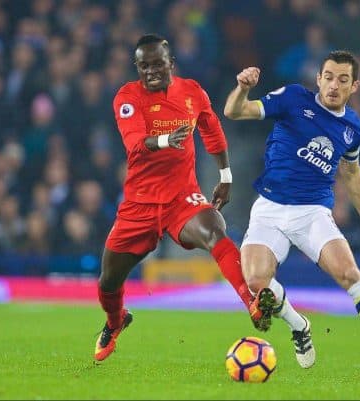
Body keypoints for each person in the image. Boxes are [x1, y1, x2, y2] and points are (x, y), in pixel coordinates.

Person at [223, 50, 360, 375]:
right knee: (257, 282)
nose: (333, 85)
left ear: (354, 86)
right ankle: (299, 325)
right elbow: (234, 111)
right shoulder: (292, 98)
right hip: (270, 208)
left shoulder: (352, 127)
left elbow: (351, 171)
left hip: (312, 212)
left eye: (342, 80)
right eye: (328, 77)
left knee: (349, 274)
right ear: (318, 78)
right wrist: (243, 88)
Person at [94, 34, 266, 362]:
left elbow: (212, 130)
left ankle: (253, 302)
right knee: (108, 281)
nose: (151, 72)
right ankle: (116, 322)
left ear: (170, 63)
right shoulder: (127, 97)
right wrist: (165, 141)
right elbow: (134, 143)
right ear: (137, 68)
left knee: (214, 230)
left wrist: (226, 176)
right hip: (140, 205)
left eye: (157, 64)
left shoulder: (192, 92)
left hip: (180, 199)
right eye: (143, 66)